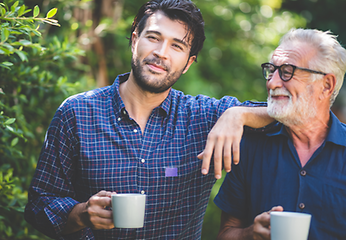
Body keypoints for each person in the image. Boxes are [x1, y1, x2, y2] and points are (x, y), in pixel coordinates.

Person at [24, 0, 273, 239]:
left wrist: (238, 114)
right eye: (153, 38)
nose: (161, 53)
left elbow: (289, 114)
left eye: (177, 46)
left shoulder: (204, 117)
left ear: (188, 63)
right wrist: (80, 214)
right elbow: (39, 205)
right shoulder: (77, 113)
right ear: (135, 40)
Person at [214, 28, 346, 240]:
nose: (272, 83)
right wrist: (249, 234)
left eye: (287, 71)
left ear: (326, 85)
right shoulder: (251, 145)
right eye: (271, 70)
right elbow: (225, 234)